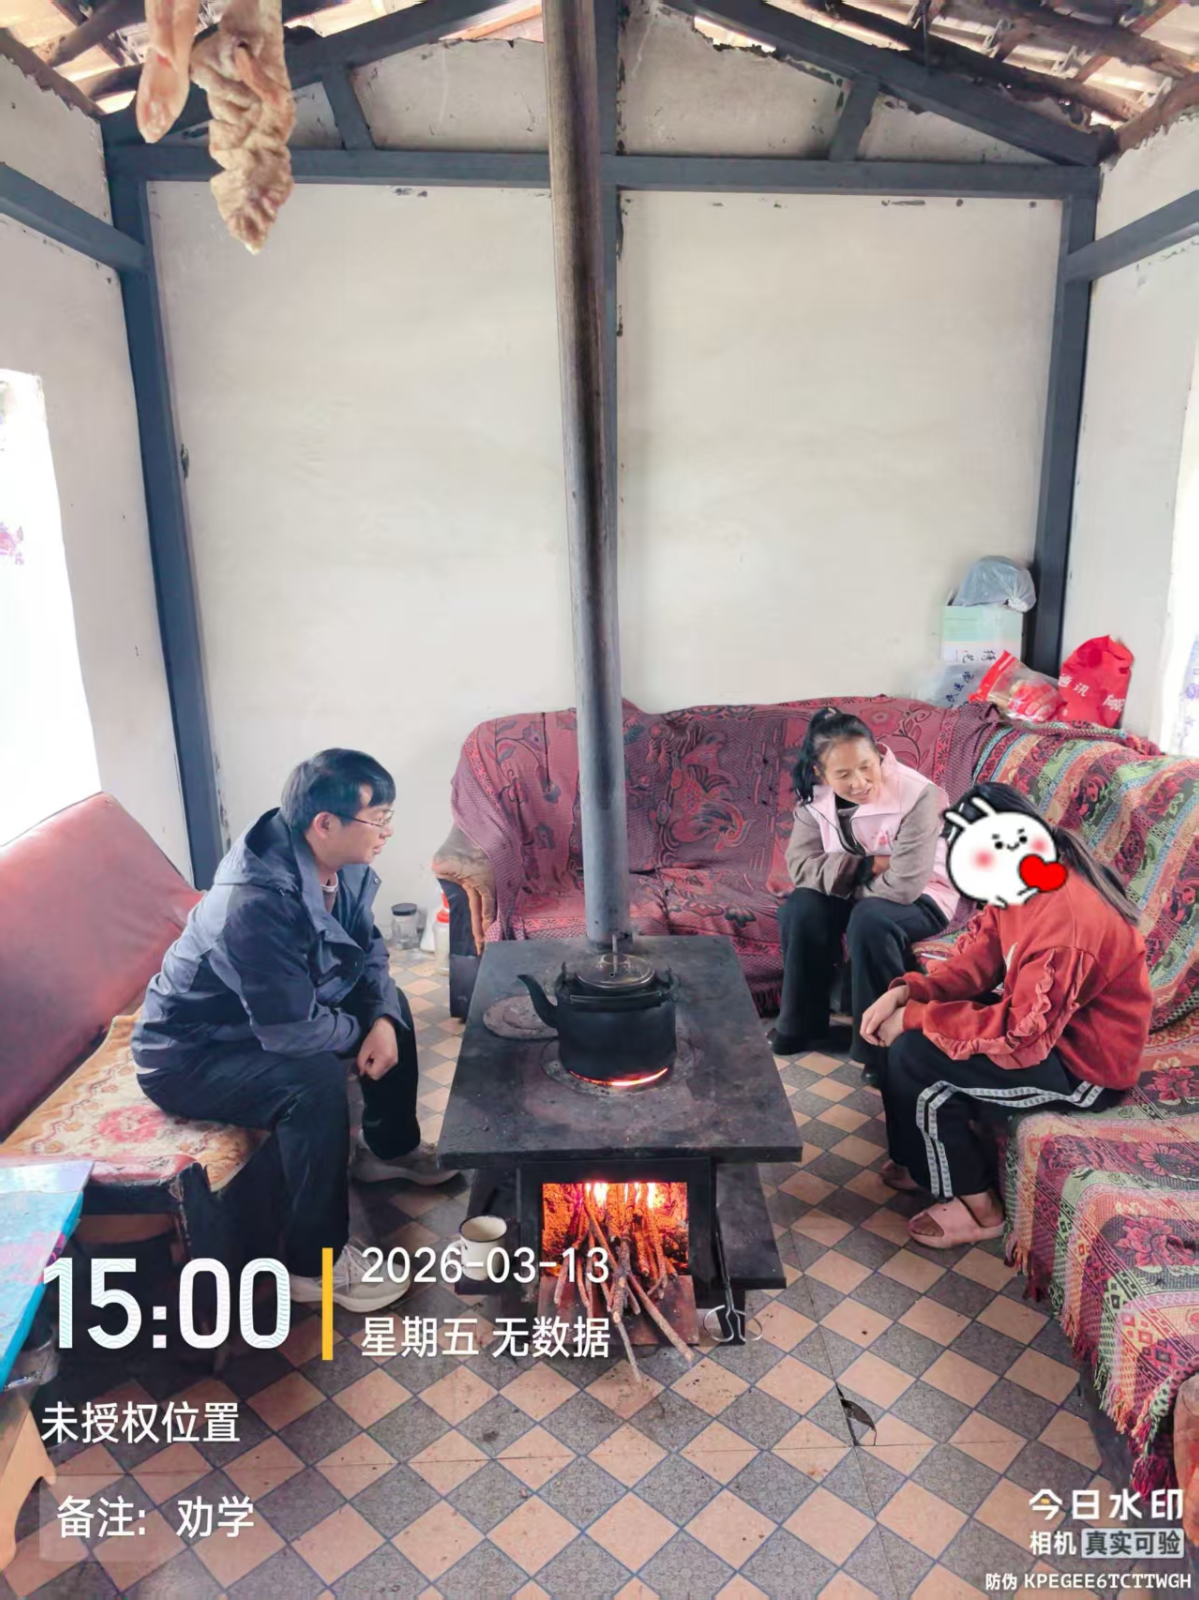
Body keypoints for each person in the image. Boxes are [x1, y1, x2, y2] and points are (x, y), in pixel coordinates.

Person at [133, 749, 458, 1312]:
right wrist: (360, 1032)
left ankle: (389, 1149)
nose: (387, 831)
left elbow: (367, 951)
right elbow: (290, 1033)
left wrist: (380, 1020)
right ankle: (315, 1266)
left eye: (388, 816)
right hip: (190, 1054)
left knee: (392, 1005)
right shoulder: (254, 903)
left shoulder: (340, 860)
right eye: (377, 818)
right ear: (324, 823)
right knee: (311, 1083)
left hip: (258, 1021)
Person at [861, 781, 1152, 1249]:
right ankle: (920, 1162)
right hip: (1042, 1026)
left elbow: (1022, 1033)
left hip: (1082, 1067)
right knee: (906, 1034)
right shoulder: (1018, 878)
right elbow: (978, 959)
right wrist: (910, 992)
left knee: (917, 1054)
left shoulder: (1067, 920)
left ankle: (982, 1210)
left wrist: (916, 1019)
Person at [773, 708, 959, 1080]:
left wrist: (847, 884)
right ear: (821, 773)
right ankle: (800, 1025)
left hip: (925, 895)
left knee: (871, 919)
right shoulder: (814, 798)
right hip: (859, 886)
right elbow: (800, 867)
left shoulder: (920, 795)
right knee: (802, 906)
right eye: (843, 774)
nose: (859, 782)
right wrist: (869, 866)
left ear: (879, 755)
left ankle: (878, 1049)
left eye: (866, 767)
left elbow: (906, 883)